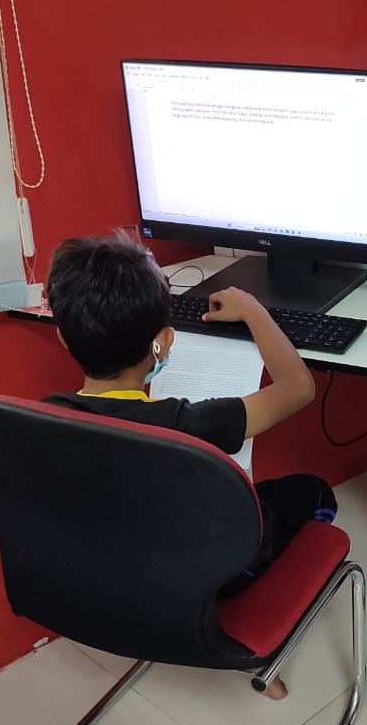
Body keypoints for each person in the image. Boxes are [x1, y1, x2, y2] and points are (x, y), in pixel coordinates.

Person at [43, 232, 335, 699]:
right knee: (315, 492)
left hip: (108, 583)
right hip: (204, 574)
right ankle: (260, 637)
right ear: (164, 341)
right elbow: (298, 387)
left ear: (62, 336)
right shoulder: (187, 423)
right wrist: (254, 310)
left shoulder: (45, 418)